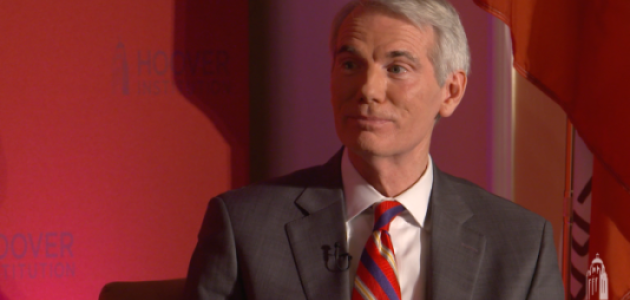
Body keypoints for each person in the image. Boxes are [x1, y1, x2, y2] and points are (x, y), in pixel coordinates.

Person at [184, 0, 565, 299]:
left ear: (451, 91)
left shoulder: (521, 245)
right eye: (350, 64)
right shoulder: (245, 228)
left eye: (397, 68)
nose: (367, 89)